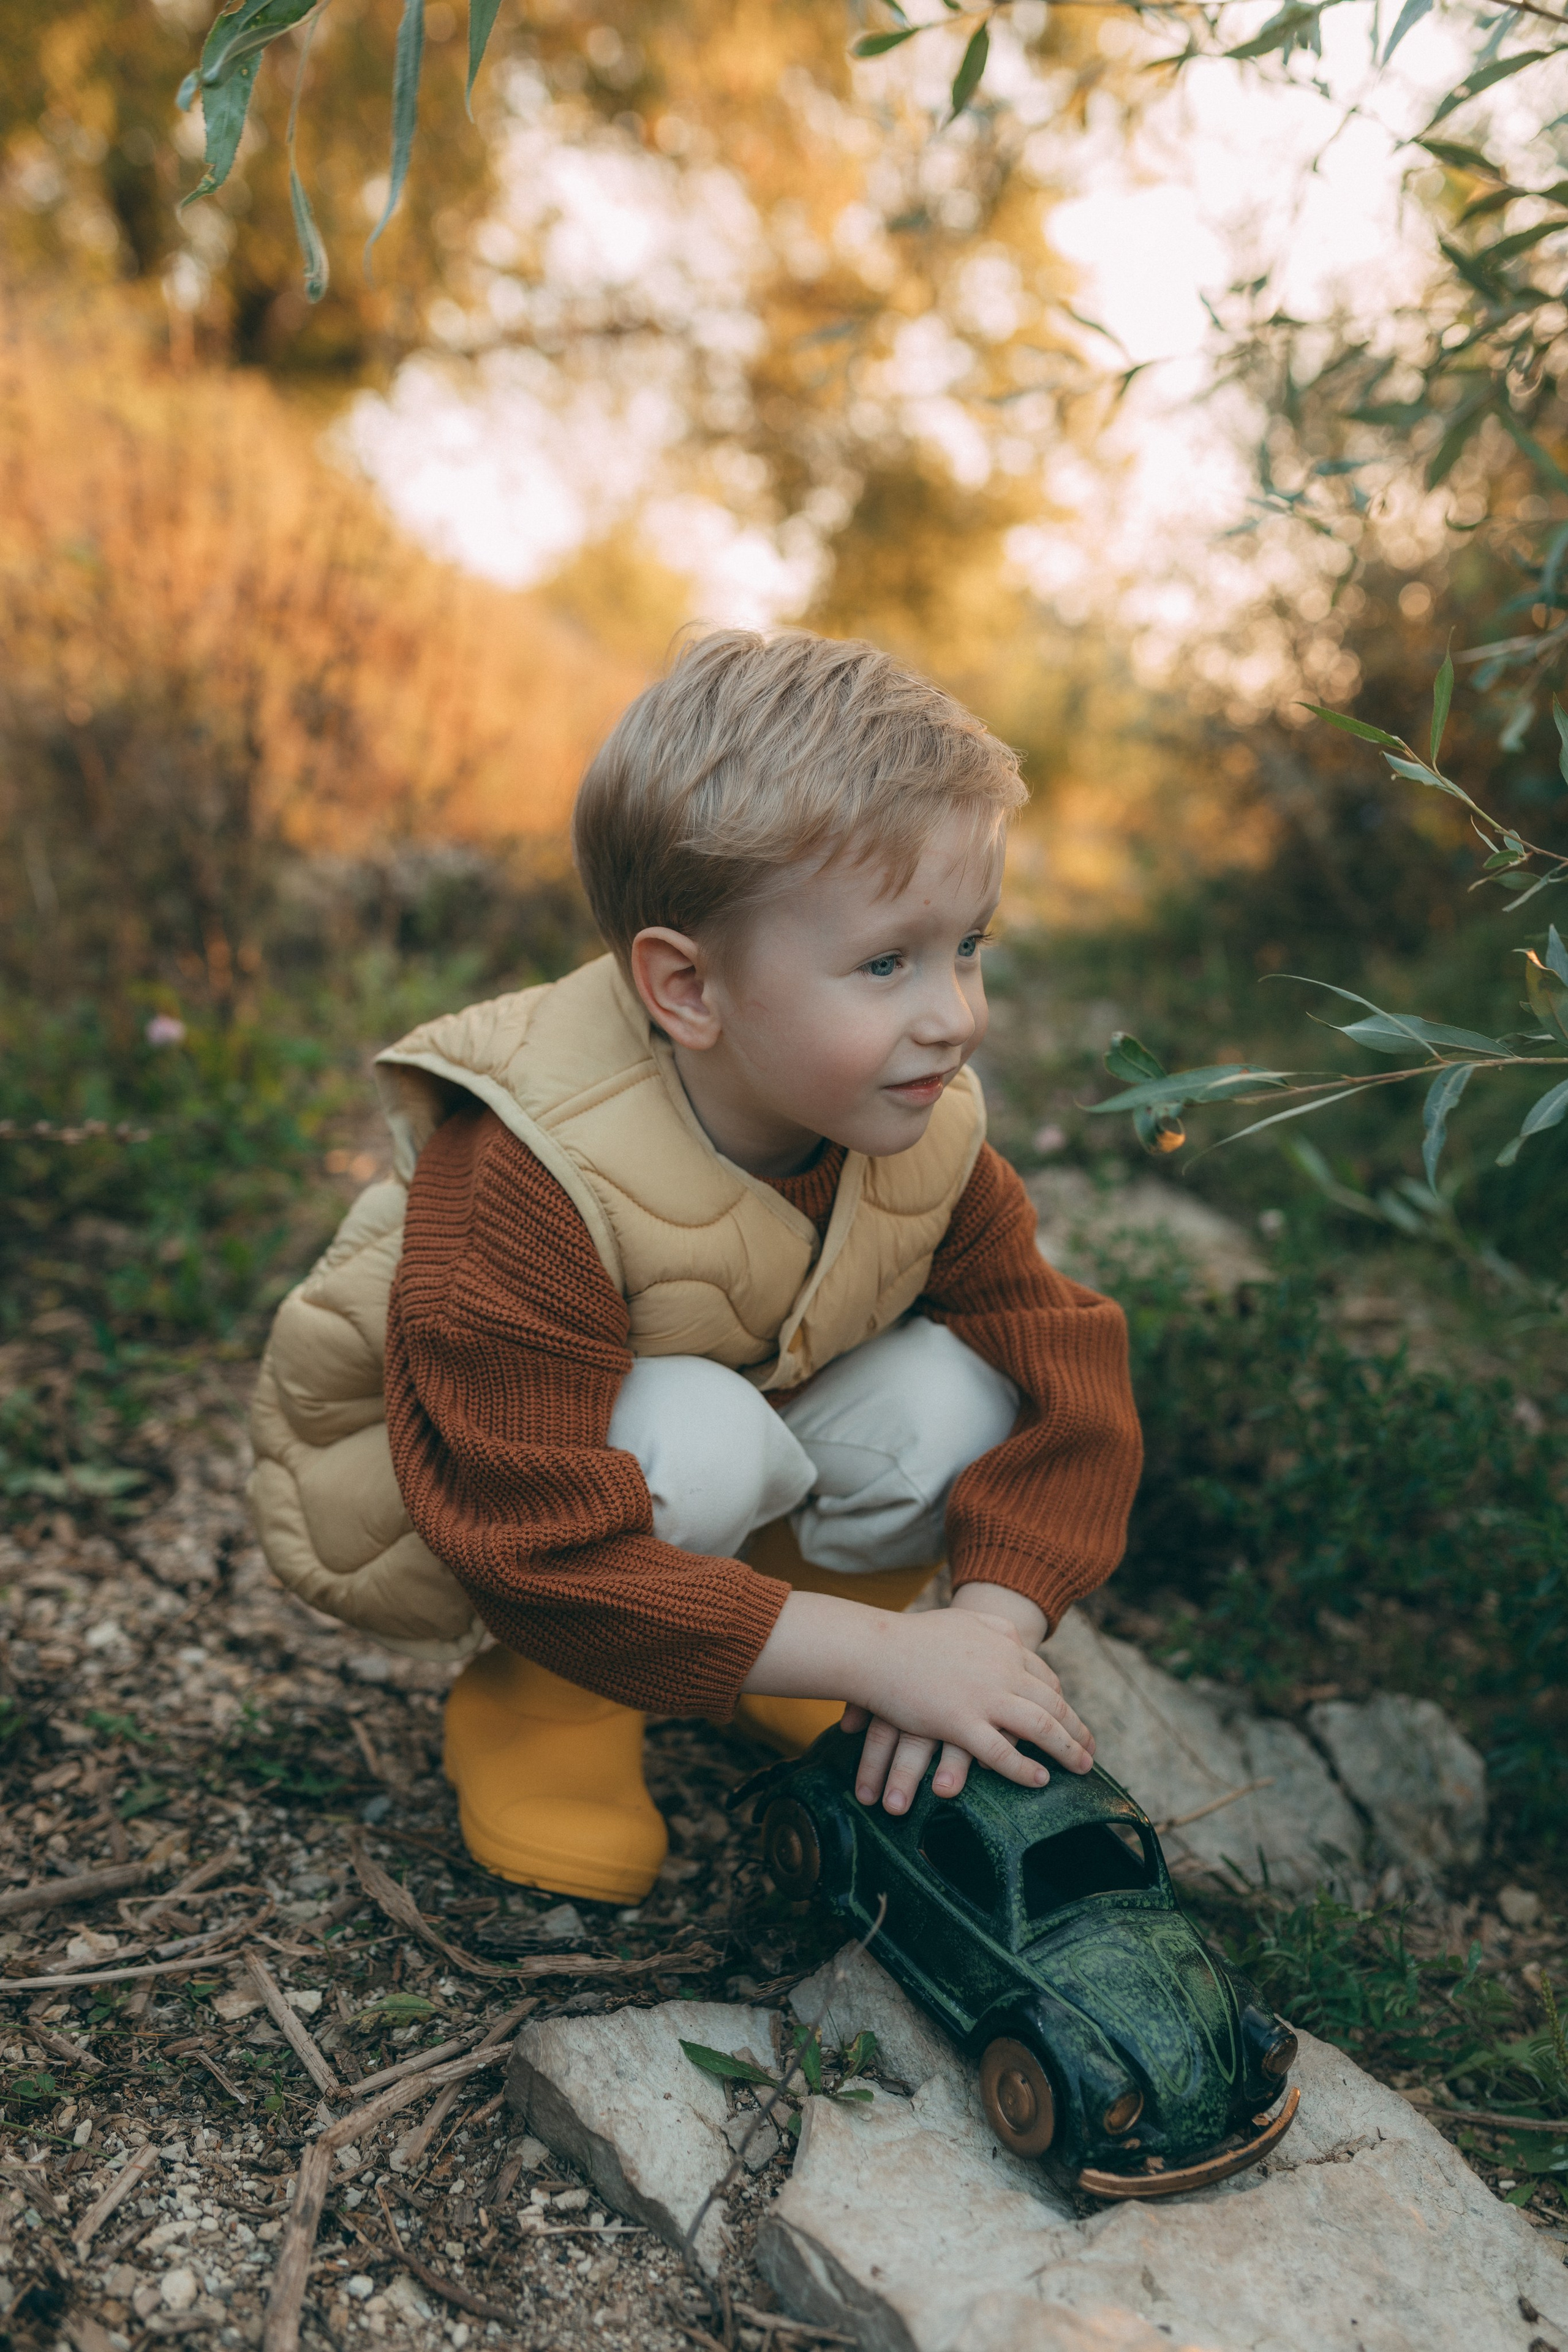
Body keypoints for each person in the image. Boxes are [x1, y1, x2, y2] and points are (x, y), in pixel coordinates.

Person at [248, 630, 1142, 1907]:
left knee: (969, 1382)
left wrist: (975, 1631)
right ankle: (547, 1710)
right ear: (686, 987)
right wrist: (898, 1658)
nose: (952, 1013)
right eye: (887, 962)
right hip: (495, 1497)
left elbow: (1065, 1377)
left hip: (718, 1442)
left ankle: (770, 1649)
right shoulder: (527, 1171)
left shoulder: (924, 1130)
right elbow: (530, 1534)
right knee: (695, 1432)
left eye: (968, 946)